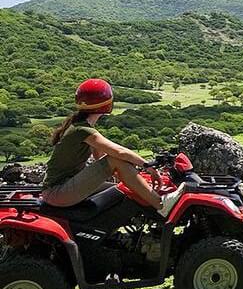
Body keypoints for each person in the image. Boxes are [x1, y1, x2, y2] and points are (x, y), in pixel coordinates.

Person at [41, 78, 185, 216]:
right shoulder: (82, 130)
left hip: (60, 189)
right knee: (115, 160)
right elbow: (119, 152)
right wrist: (148, 166)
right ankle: (161, 205)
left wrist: (129, 176)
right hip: (57, 192)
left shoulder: (81, 126)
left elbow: (99, 157)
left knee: (121, 191)